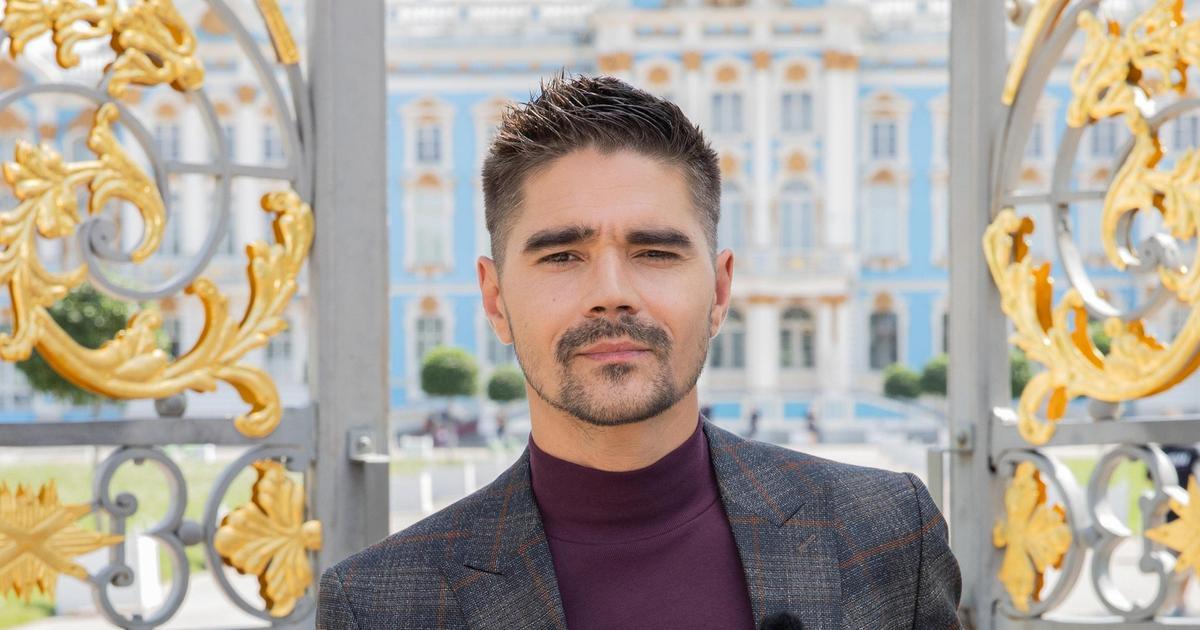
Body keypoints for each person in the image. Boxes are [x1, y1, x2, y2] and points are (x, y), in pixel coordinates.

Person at [318, 73, 961, 630]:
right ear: (495, 299)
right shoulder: (379, 605)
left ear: (719, 291)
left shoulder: (887, 537)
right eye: (561, 255)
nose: (612, 294)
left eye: (655, 252)